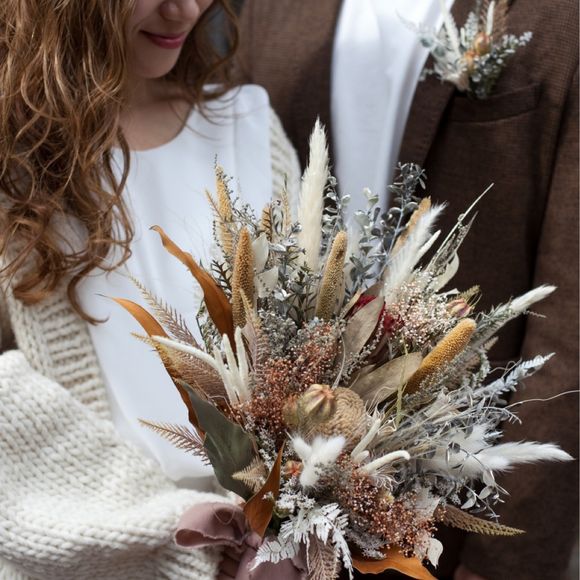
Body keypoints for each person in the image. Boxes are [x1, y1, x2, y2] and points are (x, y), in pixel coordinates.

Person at [235, 0, 579, 579]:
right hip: (264, 518)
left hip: (453, 523)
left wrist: (504, 563)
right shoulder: (271, 12)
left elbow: (569, 325)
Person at [0, 0, 299, 578]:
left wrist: (288, 530)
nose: (183, 9)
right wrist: (184, 539)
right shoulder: (15, 160)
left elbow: (325, 363)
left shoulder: (246, 127)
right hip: (86, 556)